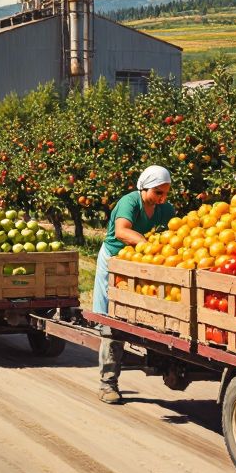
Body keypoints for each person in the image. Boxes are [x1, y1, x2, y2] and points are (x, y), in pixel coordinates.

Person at [92, 165, 176, 404]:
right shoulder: (129, 202)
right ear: (144, 187)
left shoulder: (164, 209)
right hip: (116, 262)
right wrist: (148, 245)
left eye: (166, 193)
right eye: (158, 193)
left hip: (144, 265)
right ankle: (108, 383)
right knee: (114, 322)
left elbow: (177, 231)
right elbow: (121, 231)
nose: (162, 198)